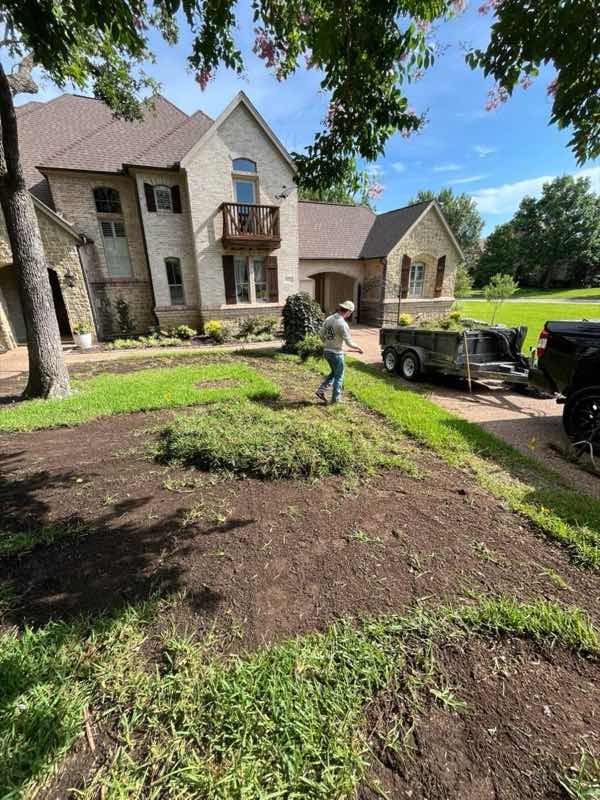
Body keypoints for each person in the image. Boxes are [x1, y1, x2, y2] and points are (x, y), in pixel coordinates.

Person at [316, 300, 364, 404]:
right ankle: (335, 400)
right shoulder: (342, 324)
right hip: (336, 354)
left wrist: (327, 343)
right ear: (349, 311)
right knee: (339, 376)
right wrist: (358, 348)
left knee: (334, 373)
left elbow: (320, 334)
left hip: (327, 352)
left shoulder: (329, 318)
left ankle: (321, 390)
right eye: (351, 313)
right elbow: (349, 342)